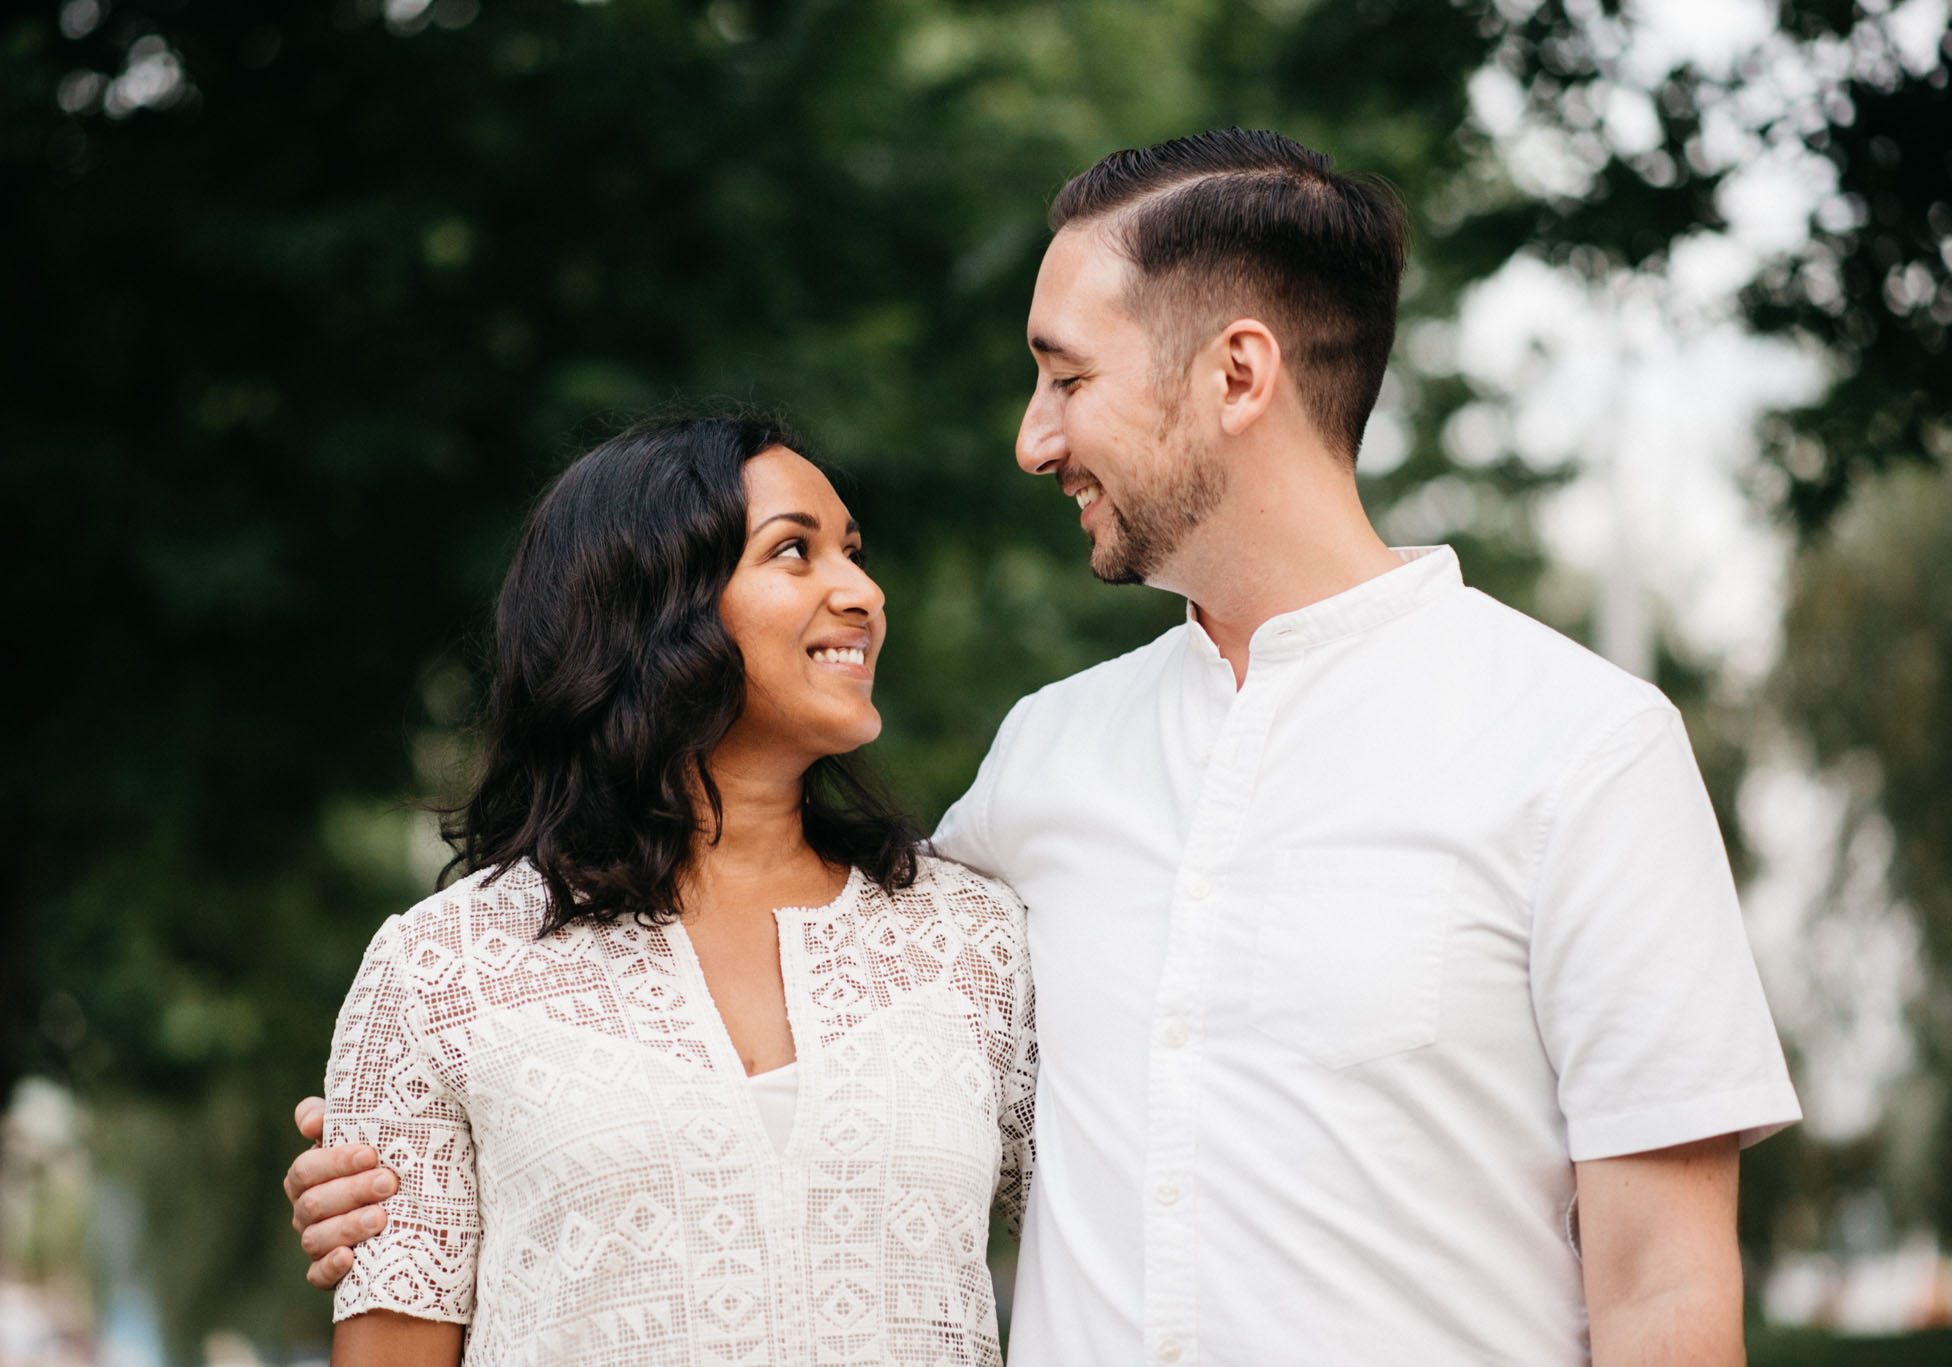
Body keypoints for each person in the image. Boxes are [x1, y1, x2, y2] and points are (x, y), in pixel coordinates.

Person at [289, 132, 1800, 1366]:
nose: (1033, 437)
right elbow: (796, 1025)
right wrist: (415, 1161)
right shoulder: (1048, 762)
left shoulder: (1583, 749)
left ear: (1238, 372)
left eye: (1066, 375)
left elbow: (1669, 1290)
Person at [303, 415, 1036, 1366]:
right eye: (794, 552)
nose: (862, 592)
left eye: (852, 553)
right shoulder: (444, 969)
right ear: (654, 607)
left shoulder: (970, 938)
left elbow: (1134, 1231)